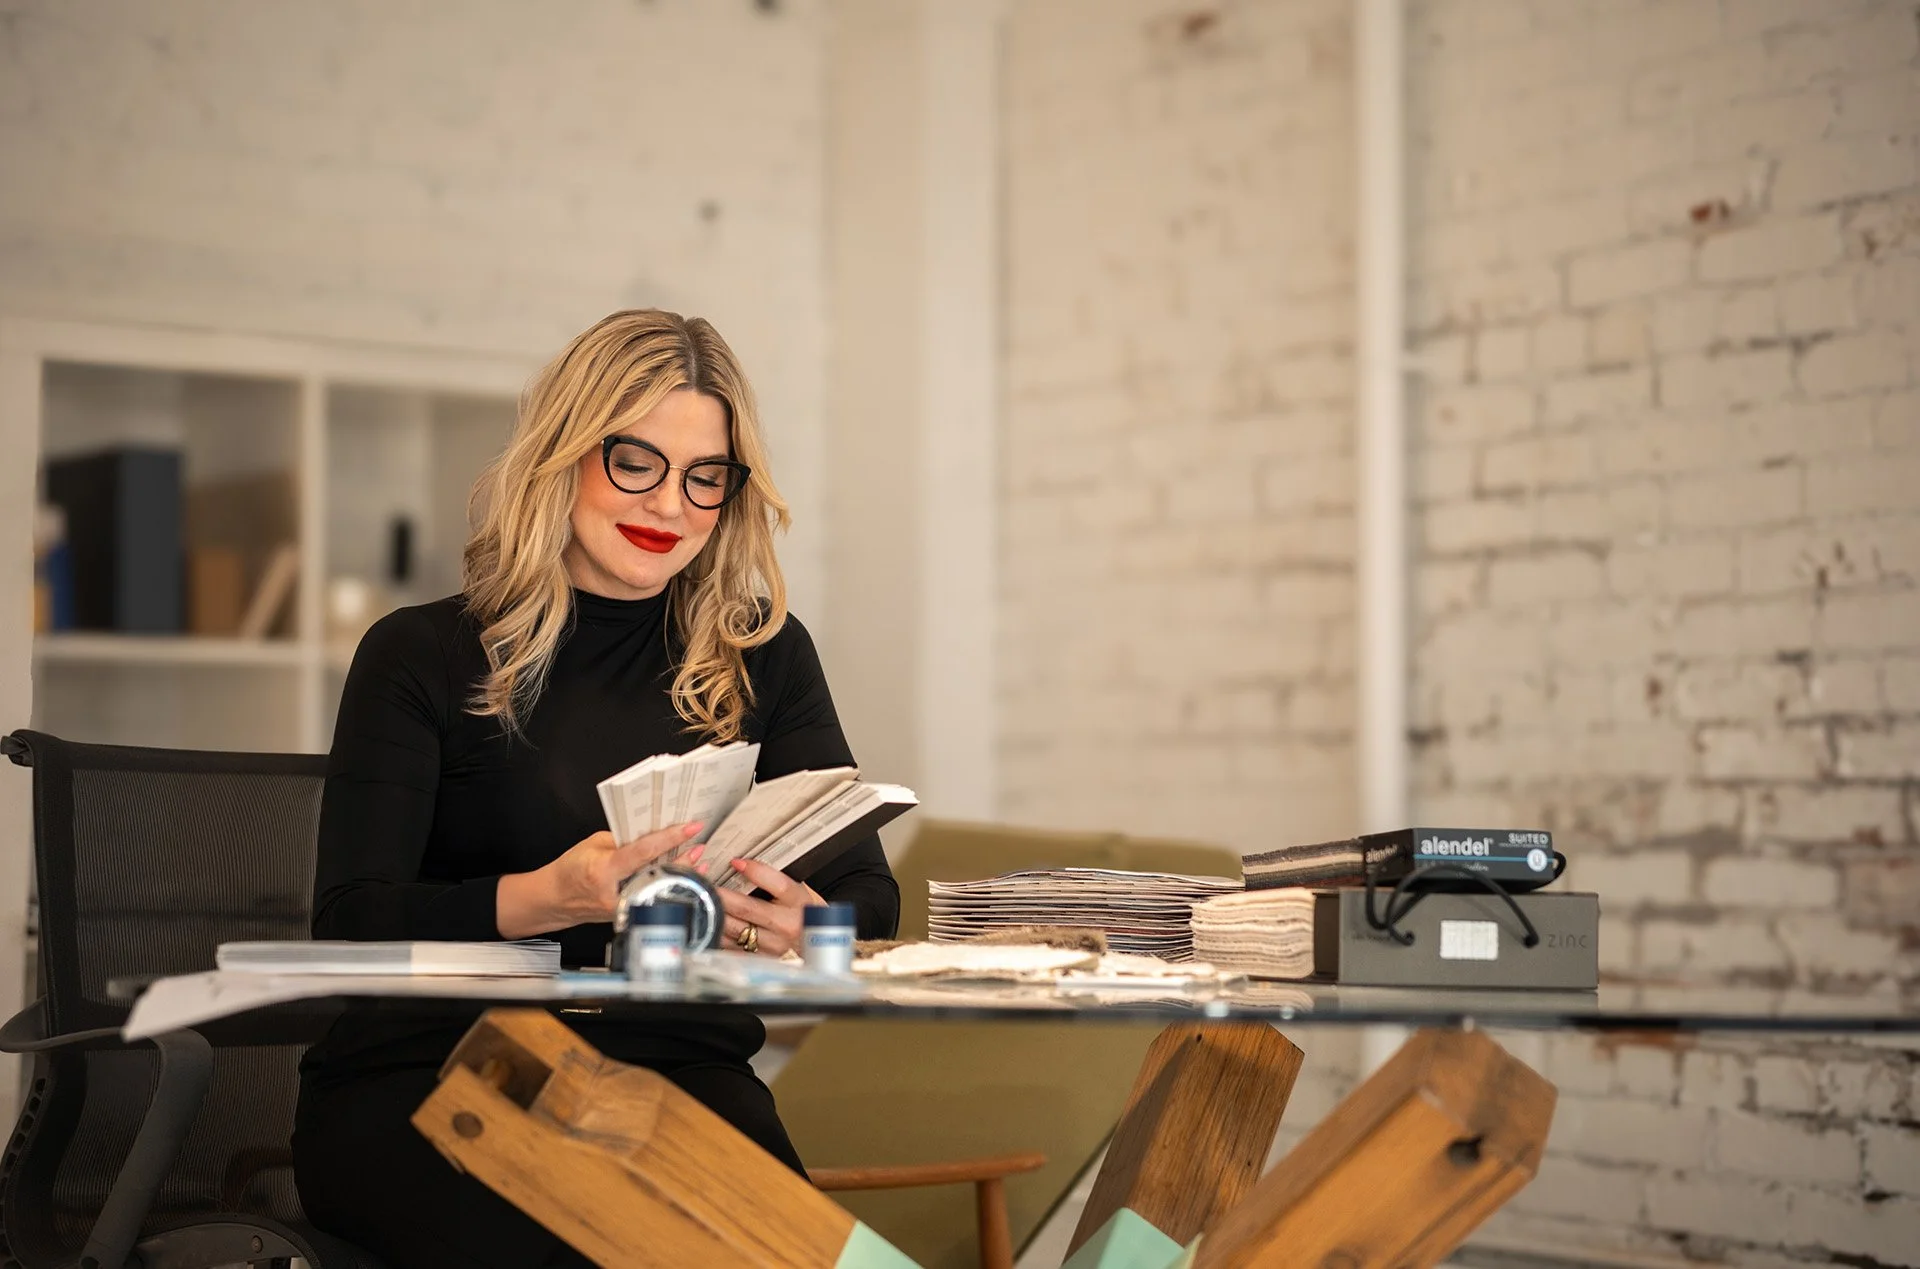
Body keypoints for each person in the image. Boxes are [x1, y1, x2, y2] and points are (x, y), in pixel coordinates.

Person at [291, 309, 899, 1267]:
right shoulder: (422, 653)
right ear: (566, 453)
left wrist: (799, 928)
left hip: (677, 1068)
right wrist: (552, 896)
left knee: (825, 1261)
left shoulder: (762, 655)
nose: (670, 506)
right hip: (438, 1073)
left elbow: (869, 901)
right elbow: (350, 921)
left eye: (706, 477)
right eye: (635, 462)